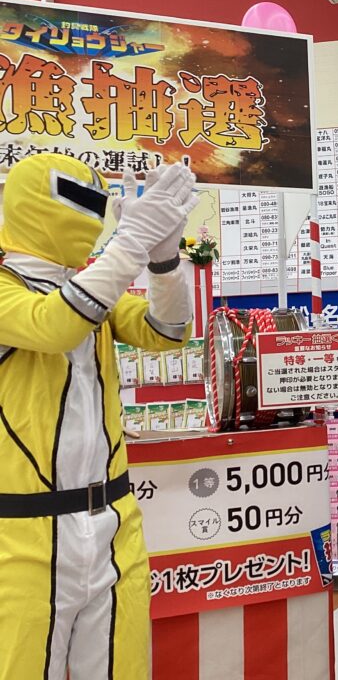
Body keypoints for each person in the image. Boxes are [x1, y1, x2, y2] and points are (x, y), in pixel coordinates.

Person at [0, 155, 197, 679]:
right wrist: (130, 243)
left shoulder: (91, 289)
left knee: (122, 668)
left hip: (114, 523)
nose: (88, 214)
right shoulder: (11, 287)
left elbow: (167, 331)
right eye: (77, 199)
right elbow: (54, 325)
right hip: (19, 534)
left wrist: (163, 258)